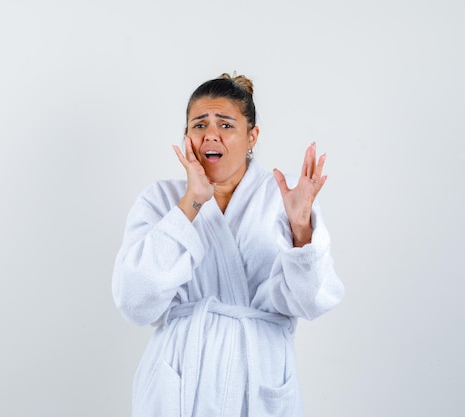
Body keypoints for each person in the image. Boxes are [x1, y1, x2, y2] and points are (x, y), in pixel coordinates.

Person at [112, 73, 344, 417]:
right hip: (179, 377)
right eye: (199, 124)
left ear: (252, 136)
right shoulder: (161, 200)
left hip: (259, 376)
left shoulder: (287, 197)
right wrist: (192, 201)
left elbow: (312, 301)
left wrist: (300, 229)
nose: (210, 134)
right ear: (187, 137)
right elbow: (134, 302)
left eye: (225, 124)